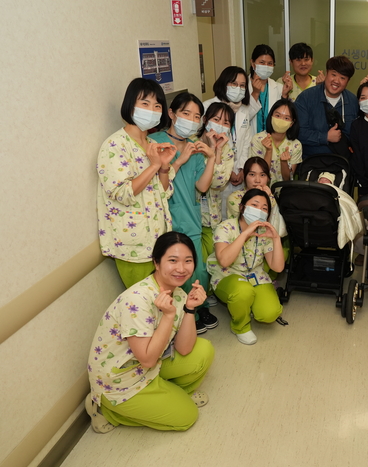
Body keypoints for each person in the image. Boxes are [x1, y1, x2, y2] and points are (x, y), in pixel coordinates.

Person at [85, 231, 215, 433]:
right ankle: (108, 410)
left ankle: (171, 395)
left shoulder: (179, 294)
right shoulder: (137, 300)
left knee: (204, 350)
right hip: (121, 380)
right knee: (187, 417)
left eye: (188, 261)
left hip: (151, 365)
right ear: (156, 262)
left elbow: (184, 348)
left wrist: (190, 308)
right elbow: (147, 360)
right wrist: (169, 316)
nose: (181, 268)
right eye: (173, 260)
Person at [150, 93, 221, 334]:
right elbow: (155, 183)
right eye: (186, 113)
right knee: (172, 273)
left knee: (196, 270)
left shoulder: (196, 147)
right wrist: (180, 160)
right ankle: (182, 316)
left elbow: (202, 186)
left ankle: (199, 308)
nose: (191, 120)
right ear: (172, 114)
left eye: (196, 116)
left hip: (190, 219)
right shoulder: (155, 142)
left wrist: (211, 157)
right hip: (166, 220)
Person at [97, 78, 177, 288]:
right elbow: (122, 193)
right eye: (145, 103)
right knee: (144, 303)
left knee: (165, 300)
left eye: (157, 105)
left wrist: (164, 168)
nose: (152, 110)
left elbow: (164, 192)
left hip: (159, 240)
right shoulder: (114, 145)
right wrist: (154, 165)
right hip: (134, 246)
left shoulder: (153, 144)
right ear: (130, 105)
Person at [208, 189, 285, 345]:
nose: (259, 210)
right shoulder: (225, 227)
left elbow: (277, 267)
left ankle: (246, 305)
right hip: (227, 275)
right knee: (243, 291)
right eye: (254, 205)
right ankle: (240, 327)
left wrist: (276, 238)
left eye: (264, 208)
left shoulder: (263, 232)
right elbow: (224, 261)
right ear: (242, 207)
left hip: (255, 276)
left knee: (270, 313)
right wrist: (244, 234)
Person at [203, 65, 263, 219]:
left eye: (242, 85)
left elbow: (246, 142)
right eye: (234, 84)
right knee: (217, 214)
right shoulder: (208, 107)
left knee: (237, 213)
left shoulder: (244, 109)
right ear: (224, 83)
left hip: (239, 173)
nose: (238, 88)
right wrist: (227, 171)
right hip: (217, 170)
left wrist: (242, 168)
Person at [196, 103, 236, 295]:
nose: (220, 125)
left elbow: (218, 182)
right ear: (205, 120)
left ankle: (208, 293)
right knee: (195, 260)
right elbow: (200, 183)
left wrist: (217, 151)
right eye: (216, 119)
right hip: (192, 214)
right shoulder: (192, 145)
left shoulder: (227, 150)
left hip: (212, 215)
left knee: (210, 259)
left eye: (226, 122)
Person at [295, 56, 359, 157]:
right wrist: (325, 137)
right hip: (311, 160)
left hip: (342, 161)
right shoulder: (306, 98)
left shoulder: (353, 101)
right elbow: (298, 132)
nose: (336, 81)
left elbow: (357, 134)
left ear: (348, 81)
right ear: (326, 73)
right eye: (333, 75)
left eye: (342, 78)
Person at [249, 98, 302, 185]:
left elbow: (287, 179)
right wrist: (268, 151)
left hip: (283, 190)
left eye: (286, 118)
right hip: (259, 188)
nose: (281, 120)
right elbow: (259, 175)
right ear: (271, 116)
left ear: (292, 123)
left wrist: (284, 162)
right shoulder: (258, 139)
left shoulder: (296, 145)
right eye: (277, 116)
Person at [317, 172, 364, 249]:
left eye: (326, 180)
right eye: (321, 180)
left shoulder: (334, 189)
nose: (323, 181)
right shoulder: (314, 188)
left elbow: (343, 197)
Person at [249, 44, 288, 135]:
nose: (266, 66)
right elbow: (242, 119)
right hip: (250, 140)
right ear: (252, 63)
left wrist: (284, 96)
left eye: (270, 63)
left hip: (272, 139)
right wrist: (255, 93)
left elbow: (283, 119)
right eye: (262, 62)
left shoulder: (279, 88)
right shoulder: (243, 86)